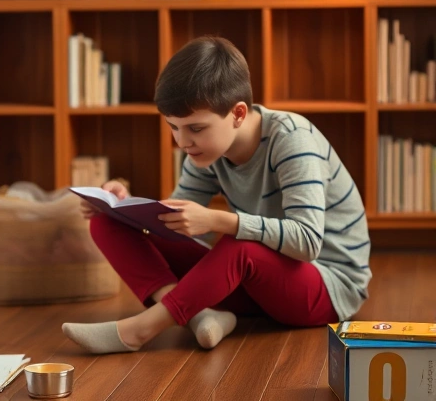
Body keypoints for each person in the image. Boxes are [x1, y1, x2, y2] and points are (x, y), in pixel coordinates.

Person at [62, 36, 371, 354]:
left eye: (195, 128)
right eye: (174, 127)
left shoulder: (292, 140)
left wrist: (218, 221)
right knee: (106, 223)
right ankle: (199, 315)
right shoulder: (206, 150)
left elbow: (307, 242)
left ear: (238, 114)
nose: (182, 142)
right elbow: (173, 225)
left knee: (239, 242)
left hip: (326, 289)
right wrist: (124, 206)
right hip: (255, 284)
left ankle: (141, 330)